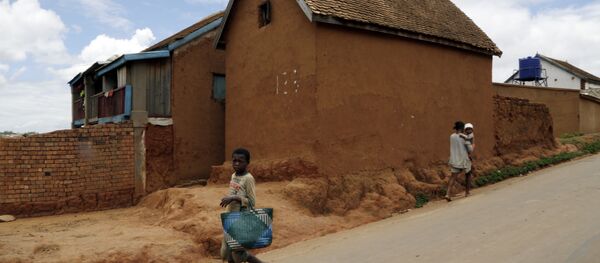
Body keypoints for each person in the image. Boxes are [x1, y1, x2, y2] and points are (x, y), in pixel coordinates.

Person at [220, 148, 264, 263]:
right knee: (226, 252)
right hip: (230, 217)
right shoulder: (234, 175)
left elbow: (251, 201)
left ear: (247, 163)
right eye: (234, 160)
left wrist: (234, 198)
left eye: (240, 161)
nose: (237, 163)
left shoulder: (248, 179)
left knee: (238, 253)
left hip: (241, 219)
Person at [446, 121, 474, 201]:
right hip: (464, 159)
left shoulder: (452, 136)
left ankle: (447, 194)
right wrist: (470, 143)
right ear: (462, 129)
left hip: (454, 160)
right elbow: (470, 150)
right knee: (468, 174)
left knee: (453, 177)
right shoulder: (464, 137)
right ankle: (467, 192)